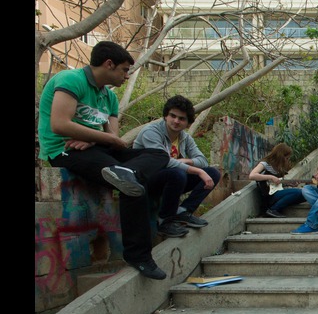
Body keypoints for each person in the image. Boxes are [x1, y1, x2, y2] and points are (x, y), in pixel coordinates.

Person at [38, 41, 171, 280]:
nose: (126, 75)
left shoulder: (108, 96)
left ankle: (126, 173)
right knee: (133, 189)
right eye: (123, 70)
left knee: (159, 153)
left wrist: (95, 139)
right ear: (109, 64)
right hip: (64, 150)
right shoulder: (70, 80)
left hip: (96, 148)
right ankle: (139, 256)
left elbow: (112, 136)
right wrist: (100, 138)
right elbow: (59, 125)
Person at [133, 95, 221, 237]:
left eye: (182, 118)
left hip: (171, 179)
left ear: (188, 122)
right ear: (166, 116)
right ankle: (165, 221)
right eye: (172, 116)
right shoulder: (151, 132)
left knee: (212, 173)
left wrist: (186, 161)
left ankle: (182, 212)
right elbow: (162, 161)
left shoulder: (185, 138)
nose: (176, 121)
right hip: (145, 178)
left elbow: (203, 160)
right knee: (177, 173)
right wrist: (197, 171)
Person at [248, 142, 307, 218]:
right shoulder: (265, 163)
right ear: (281, 156)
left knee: (305, 194)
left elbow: (276, 184)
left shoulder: (279, 168)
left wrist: (289, 184)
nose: (287, 160)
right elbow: (252, 175)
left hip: (277, 193)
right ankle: (273, 209)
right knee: (299, 192)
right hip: (269, 195)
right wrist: (271, 177)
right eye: (286, 158)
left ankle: (277, 207)